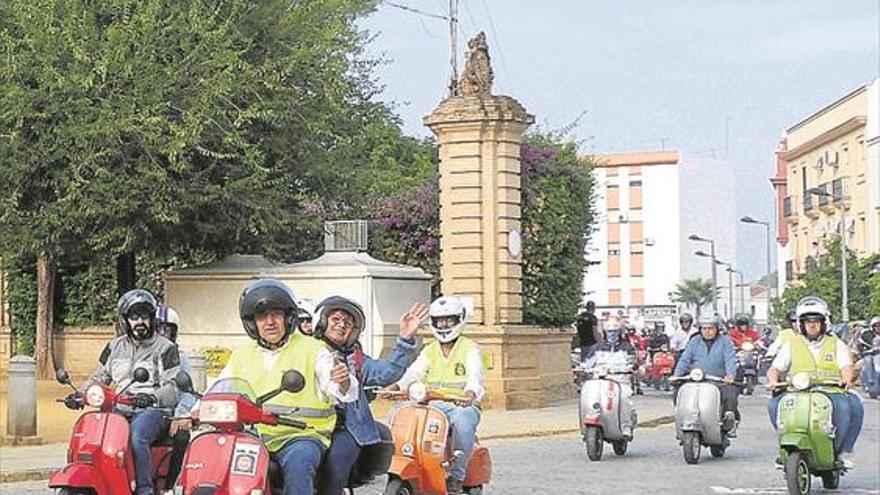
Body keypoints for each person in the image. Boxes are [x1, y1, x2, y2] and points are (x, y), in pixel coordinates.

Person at [217, 279, 358, 495]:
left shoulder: (314, 350)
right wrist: (192, 412)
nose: (270, 322)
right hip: (252, 435)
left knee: (300, 463)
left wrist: (342, 381)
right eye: (262, 316)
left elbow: (339, 389)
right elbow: (219, 389)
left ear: (288, 318)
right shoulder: (241, 355)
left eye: (276, 314)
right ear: (252, 322)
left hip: (301, 436)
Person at [67, 289, 181, 495]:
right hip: (118, 408)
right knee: (93, 436)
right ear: (125, 320)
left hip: (154, 411)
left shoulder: (166, 348)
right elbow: (99, 377)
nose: (140, 322)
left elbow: (173, 387)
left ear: (152, 318)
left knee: (137, 436)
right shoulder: (113, 347)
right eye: (134, 317)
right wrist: (80, 395)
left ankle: (144, 489)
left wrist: (151, 397)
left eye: (144, 316)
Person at [315, 297, 427, 495]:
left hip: (343, 427)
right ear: (322, 321)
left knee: (337, 461)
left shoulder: (355, 358)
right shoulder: (305, 350)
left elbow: (385, 373)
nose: (341, 326)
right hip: (304, 425)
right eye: (336, 319)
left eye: (348, 324)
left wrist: (405, 338)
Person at [395, 296, 485, 495]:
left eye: (449, 320)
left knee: (463, 421)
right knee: (399, 414)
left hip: (460, 405)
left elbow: (475, 376)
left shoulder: (470, 349)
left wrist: (471, 393)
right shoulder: (429, 350)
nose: (443, 325)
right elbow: (413, 373)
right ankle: (411, 462)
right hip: (430, 404)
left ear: (459, 320)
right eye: (439, 321)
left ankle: (457, 475)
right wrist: (396, 386)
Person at [766, 296, 863, 468]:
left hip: (830, 390)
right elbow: (775, 368)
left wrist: (846, 380)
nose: (812, 325)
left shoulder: (835, 343)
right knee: (774, 405)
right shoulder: (792, 344)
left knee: (845, 407)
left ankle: (839, 451)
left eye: (816, 321)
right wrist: (773, 381)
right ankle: (785, 446)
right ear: (801, 324)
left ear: (824, 323)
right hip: (797, 391)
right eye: (807, 321)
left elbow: (846, 366)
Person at [673, 314, 740, 436]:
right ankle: (681, 418)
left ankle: (729, 422)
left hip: (719, 381)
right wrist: (676, 375)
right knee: (678, 391)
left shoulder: (725, 342)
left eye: (711, 328)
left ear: (717, 329)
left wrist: (730, 375)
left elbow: (730, 359)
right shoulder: (694, 342)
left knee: (730, 393)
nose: (707, 331)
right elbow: (685, 359)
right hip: (696, 381)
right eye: (704, 329)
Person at [155, 304, 195, 486]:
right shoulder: (141, 354)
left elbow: (187, 393)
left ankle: (171, 486)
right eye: (158, 329)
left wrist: (179, 416)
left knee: (182, 436)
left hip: (169, 415)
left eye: (167, 329)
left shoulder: (180, 357)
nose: (162, 334)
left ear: (174, 332)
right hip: (142, 412)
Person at [581, 318, 637, 438]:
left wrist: (630, 367)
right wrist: (581, 367)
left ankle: (626, 426)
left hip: (620, 381)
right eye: (610, 331)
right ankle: (584, 427)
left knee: (624, 397)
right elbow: (588, 363)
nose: (612, 334)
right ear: (605, 332)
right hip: (598, 381)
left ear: (620, 332)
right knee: (588, 396)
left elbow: (632, 361)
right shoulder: (596, 348)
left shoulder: (626, 347)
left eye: (615, 331)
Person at [854, 316, 880, 397]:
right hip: (870, 354)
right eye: (876, 325)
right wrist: (868, 350)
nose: (878, 327)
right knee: (868, 360)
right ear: (872, 326)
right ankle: (869, 380)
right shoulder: (867, 334)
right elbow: (860, 345)